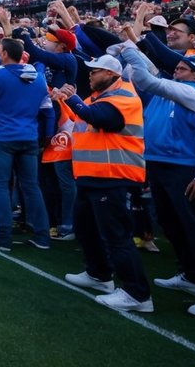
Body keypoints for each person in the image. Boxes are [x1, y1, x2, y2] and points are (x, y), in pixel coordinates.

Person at [118, 44, 195, 319]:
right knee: (172, 224)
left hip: (186, 170)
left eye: (182, 68)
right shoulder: (170, 91)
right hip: (161, 166)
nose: (176, 71)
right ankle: (193, 276)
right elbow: (143, 73)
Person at [51, 54, 153, 313]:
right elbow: (80, 121)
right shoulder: (96, 98)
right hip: (91, 176)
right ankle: (99, 274)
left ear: (110, 74)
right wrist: (63, 100)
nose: (90, 74)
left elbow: (98, 117)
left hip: (114, 177)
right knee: (86, 229)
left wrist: (70, 98)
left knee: (116, 237)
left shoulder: (124, 97)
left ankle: (137, 293)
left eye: (95, 71)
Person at [0, 38, 52, 251]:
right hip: (30, 137)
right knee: (31, 186)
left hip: (5, 136)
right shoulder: (38, 79)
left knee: (1, 185)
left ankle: (2, 235)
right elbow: (45, 108)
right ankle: (42, 236)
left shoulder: (0, 75)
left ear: (4, 53)